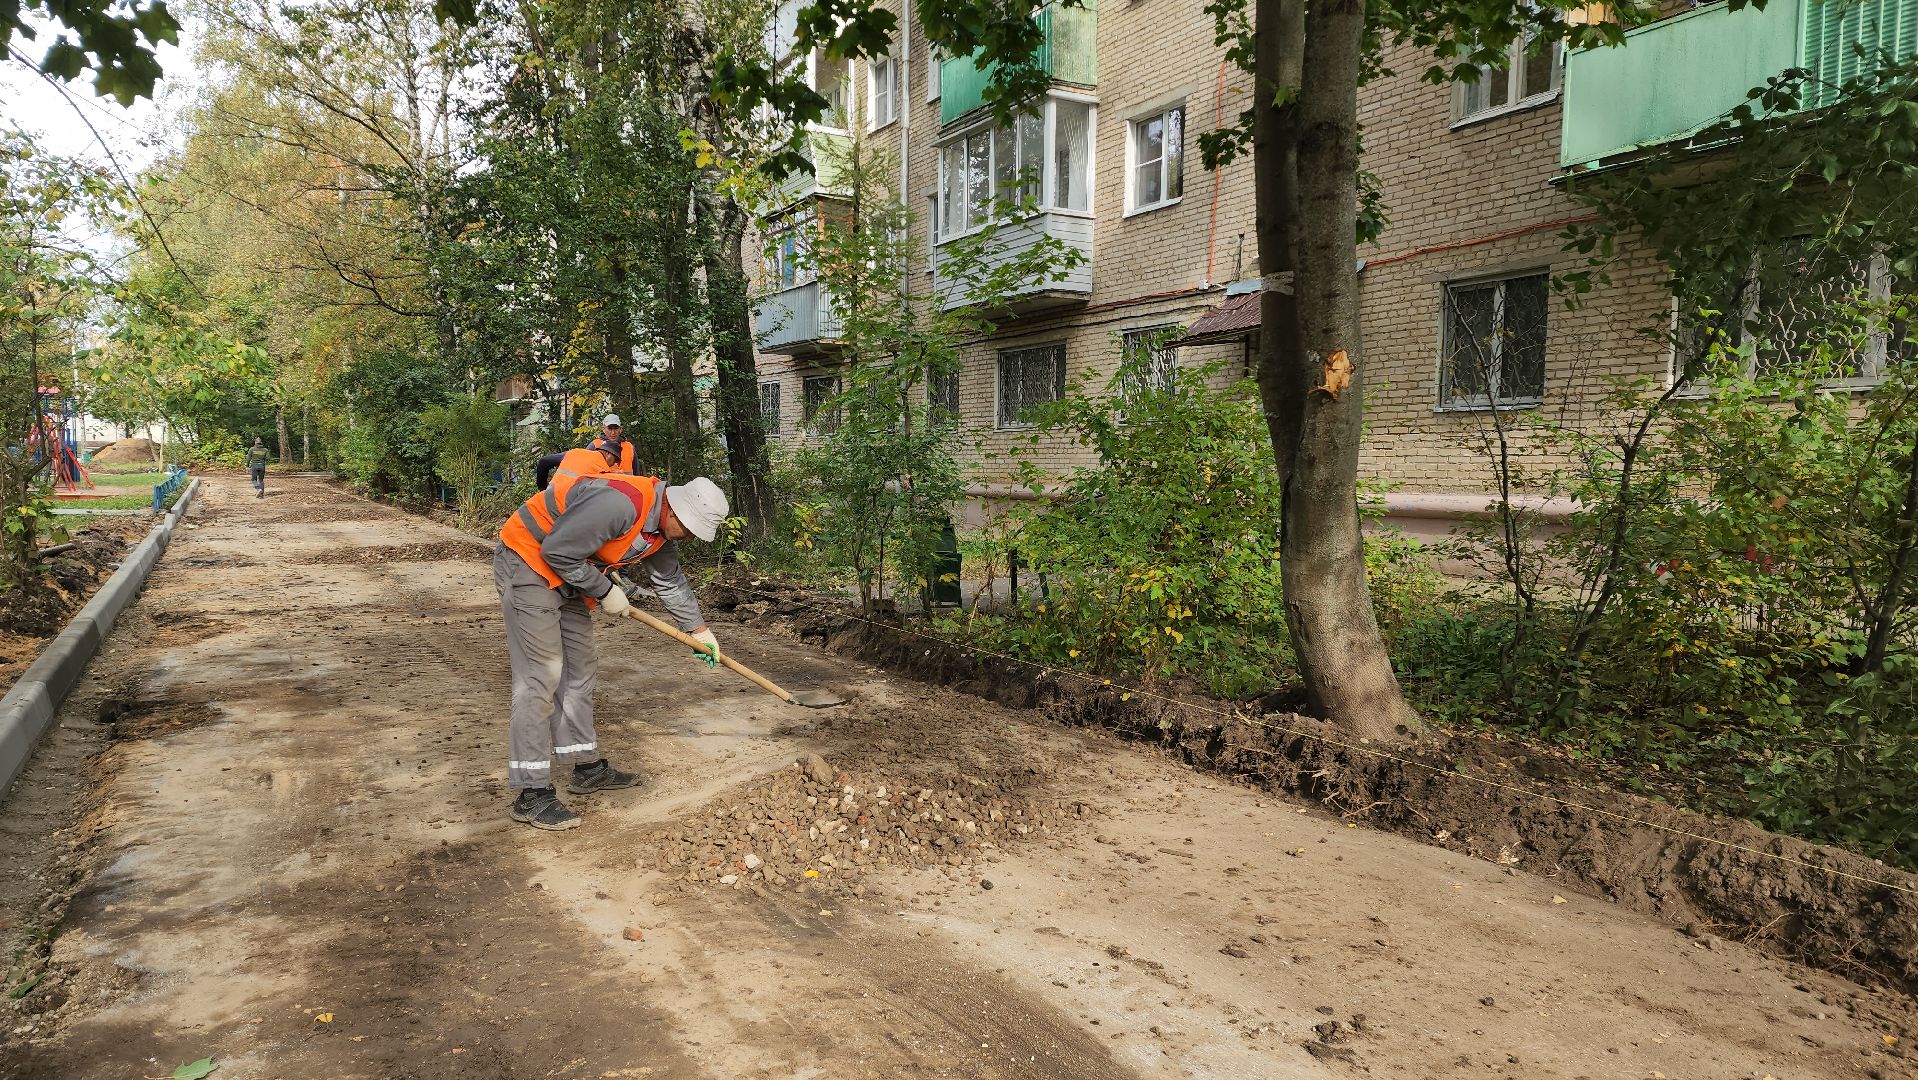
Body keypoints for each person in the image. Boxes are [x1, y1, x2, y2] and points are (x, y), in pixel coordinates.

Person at [494, 468, 728, 831]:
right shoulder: (620, 504)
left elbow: (670, 580)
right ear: (674, 510)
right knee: (541, 677)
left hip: (570, 577)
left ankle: (585, 768)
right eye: (691, 529)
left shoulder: (658, 531)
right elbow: (557, 550)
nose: (692, 538)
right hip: (530, 563)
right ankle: (531, 793)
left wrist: (700, 631)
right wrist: (604, 590)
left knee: (579, 672)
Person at [533, 413, 632, 490]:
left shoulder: (629, 447)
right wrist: (543, 488)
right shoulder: (593, 448)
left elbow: (544, 462)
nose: (613, 432)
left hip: (555, 499)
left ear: (620, 429)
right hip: (567, 500)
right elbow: (544, 462)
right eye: (615, 461)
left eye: (616, 428)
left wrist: (543, 489)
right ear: (607, 453)